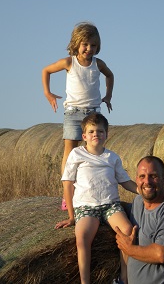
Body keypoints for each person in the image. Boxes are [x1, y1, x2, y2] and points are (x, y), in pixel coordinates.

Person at [55, 113, 137, 284]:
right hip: (86, 207)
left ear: (106, 135)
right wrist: (72, 216)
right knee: (82, 236)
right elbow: (68, 185)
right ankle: (86, 282)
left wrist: (143, 191)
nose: (96, 134)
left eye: (100, 131)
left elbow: (126, 182)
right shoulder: (76, 154)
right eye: (91, 131)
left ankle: (124, 279)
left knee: (128, 231)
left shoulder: (112, 158)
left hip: (110, 205)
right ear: (84, 136)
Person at [42, 22, 114, 210]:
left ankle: (89, 192)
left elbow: (110, 75)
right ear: (76, 43)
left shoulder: (98, 64)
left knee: (92, 153)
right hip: (73, 112)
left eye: (93, 45)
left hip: (92, 114)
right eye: (85, 44)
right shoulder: (69, 62)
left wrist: (108, 96)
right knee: (70, 152)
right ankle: (67, 195)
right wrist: (48, 93)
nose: (89, 49)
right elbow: (46, 70)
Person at [115, 156, 164, 284]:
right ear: (136, 179)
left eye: (153, 176)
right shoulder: (138, 202)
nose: (147, 181)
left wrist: (129, 249)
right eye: (142, 176)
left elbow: (162, 254)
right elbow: (121, 208)